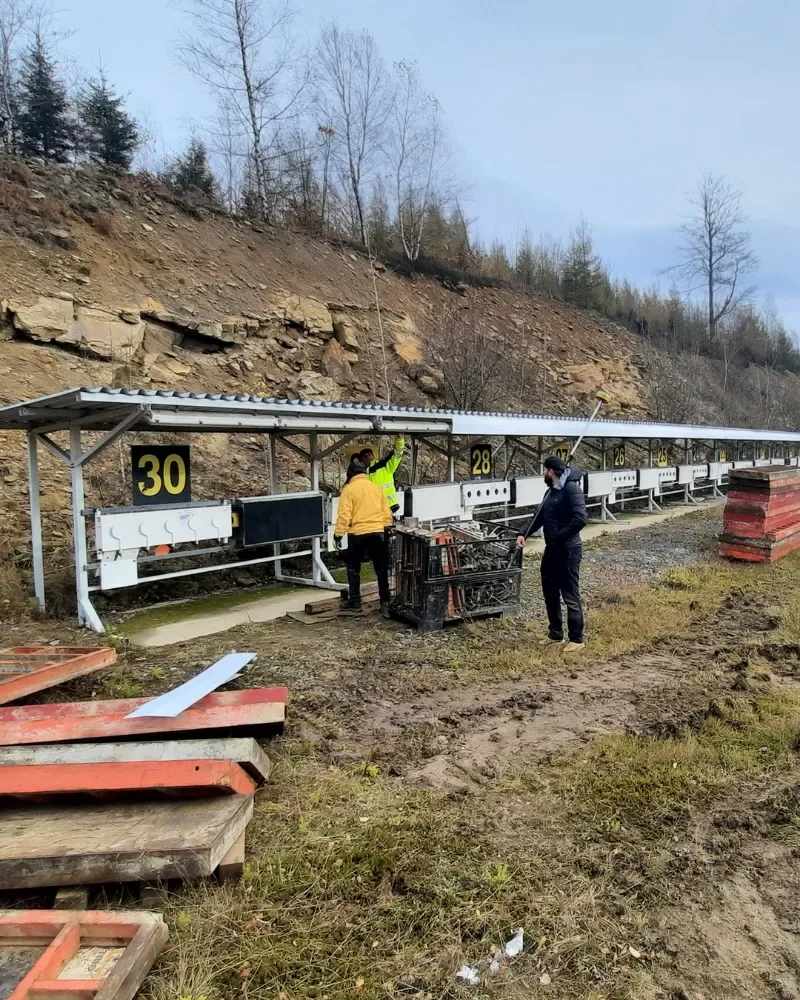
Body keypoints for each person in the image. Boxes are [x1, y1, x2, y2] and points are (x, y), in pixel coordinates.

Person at [517, 456, 588, 653]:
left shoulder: (571, 489)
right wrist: (523, 533)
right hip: (552, 550)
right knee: (550, 592)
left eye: (544, 470)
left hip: (568, 550)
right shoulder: (551, 491)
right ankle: (555, 633)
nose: (543, 474)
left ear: (550, 472)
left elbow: (581, 518)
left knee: (569, 593)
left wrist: (560, 536)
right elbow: (539, 516)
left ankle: (577, 639)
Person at [334, 458, 393, 618]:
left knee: (353, 568)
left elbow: (344, 515)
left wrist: (338, 534)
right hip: (378, 533)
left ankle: (355, 602)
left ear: (350, 474)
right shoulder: (376, 488)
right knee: (381, 569)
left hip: (358, 534)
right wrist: (385, 529)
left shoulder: (349, 490)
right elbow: (387, 514)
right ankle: (385, 602)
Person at [359, 437, 405, 514]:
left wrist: (400, 439)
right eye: (365, 456)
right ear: (362, 461)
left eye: (369, 454)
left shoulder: (385, 465)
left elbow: (397, 455)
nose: (367, 457)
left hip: (389, 505)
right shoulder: (363, 473)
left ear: (373, 456)